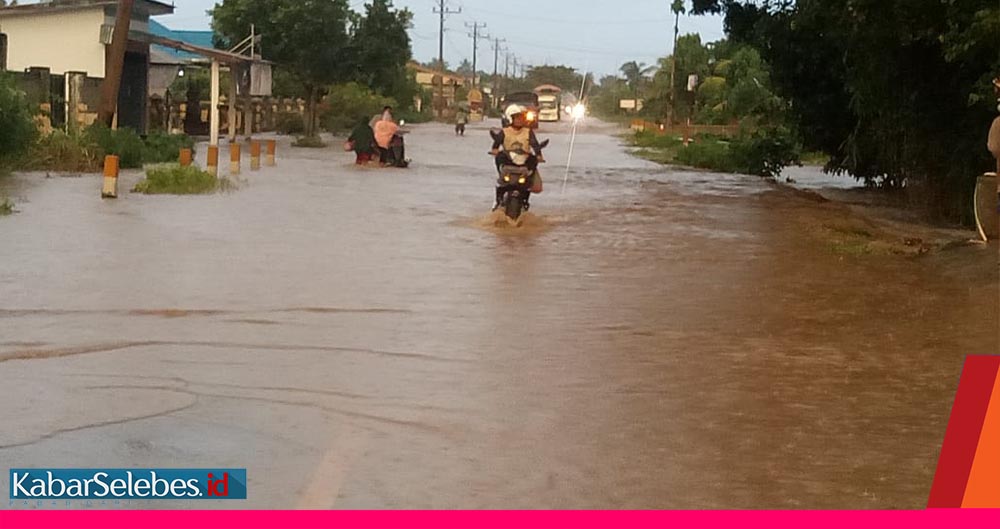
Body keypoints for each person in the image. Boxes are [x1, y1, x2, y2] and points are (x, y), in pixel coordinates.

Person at [490, 108, 545, 209]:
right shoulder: (505, 131)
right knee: (499, 157)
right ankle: (498, 199)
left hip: (524, 159)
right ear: (512, 119)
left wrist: (539, 155)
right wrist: (494, 150)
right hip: (509, 159)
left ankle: (525, 197)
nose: (519, 120)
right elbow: (496, 143)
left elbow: (534, 144)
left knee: (533, 160)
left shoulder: (528, 132)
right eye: (517, 118)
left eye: (521, 118)